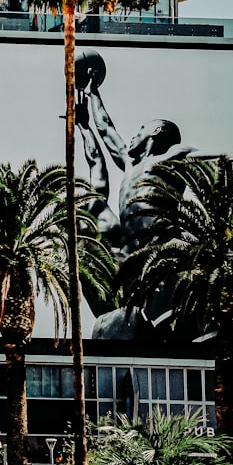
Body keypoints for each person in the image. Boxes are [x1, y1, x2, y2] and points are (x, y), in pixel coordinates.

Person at [75, 50, 194, 339]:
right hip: (129, 252)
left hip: (158, 251)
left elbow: (218, 157)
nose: (132, 134)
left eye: (140, 129)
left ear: (154, 131)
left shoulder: (170, 159)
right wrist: (92, 98)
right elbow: (105, 128)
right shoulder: (130, 164)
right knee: (89, 220)